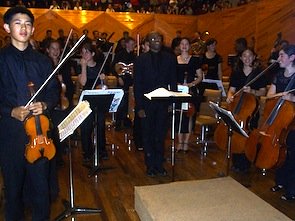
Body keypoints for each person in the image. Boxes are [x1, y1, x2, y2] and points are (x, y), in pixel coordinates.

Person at [0, 6, 59, 220]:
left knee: (41, 192)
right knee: (13, 192)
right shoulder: (1, 59)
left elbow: (53, 91)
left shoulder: (43, 61)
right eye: (18, 23)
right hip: (11, 134)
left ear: (33, 29)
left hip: (40, 134)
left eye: (27, 24)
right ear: (7, 27)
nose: (23, 28)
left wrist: (45, 104)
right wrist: (10, 111)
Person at [134, 31, 177, 177]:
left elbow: (173, 82)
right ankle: (150, 165)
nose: (156, 40)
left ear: (162, 41)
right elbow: (137, 85)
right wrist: (139, 107)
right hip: (146, 104)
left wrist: (172, 102)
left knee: (160, 134)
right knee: (147, 135)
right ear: (148, 42)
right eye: (153, 38)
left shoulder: (170, 59)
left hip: (164, 103)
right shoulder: (140, 60)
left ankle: (159, 164)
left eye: (158, 38)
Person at [226, 47, 267, 172]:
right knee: (236, 133)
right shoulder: (236, 72)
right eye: (244, 56)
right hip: (237, 108)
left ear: (254, 57)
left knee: (248, 134)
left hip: (251, 109)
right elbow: (232, 89)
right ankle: (235, 161)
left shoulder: (258, 72)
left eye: (250, 55)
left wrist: (252, 91)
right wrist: (229, 97)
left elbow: (263, 91)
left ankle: (246, 162)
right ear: (240, 58)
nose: (247, 58)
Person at [267, 44, 295, 201]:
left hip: (293, 122)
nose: (279, 59)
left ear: (292, 58)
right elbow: (270, 95)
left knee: (292, 155)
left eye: (282, 55)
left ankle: (292, 188)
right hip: (279, 119)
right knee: (280, 151)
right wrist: (279, 94)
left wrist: (291, 98)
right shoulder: (278, 74)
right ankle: (280, 182)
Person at [76, 42, 109, 162]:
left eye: (87, 52)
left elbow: (104, 87)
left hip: (98, 99)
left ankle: (101, 150)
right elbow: (83, 82)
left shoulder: (100, 66)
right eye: (82, 52)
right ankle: (87, 151)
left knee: (100, 125)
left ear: (93, 54)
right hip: (86, 101)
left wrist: (103, 81)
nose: (84, 54)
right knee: (86, 127)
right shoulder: (80, 67)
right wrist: (84, 67)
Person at [175, 37, 202, 152]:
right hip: (178, 91)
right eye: (182, 44)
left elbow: (200, 76)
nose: (184, 46)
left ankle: (186, 143)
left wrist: (191, 84)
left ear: (189, 46)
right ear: (179, 46)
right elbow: (171, 75)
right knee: (179, 117)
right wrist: (178, 84)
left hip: (191, 91)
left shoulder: (195, 60)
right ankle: (180, 142)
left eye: (186, 44)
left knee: (189, 116)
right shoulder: (174, 59)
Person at [112, 37, 136, 130]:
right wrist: (118, 77)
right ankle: (118, 122)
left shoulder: (134, 56)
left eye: (133, 44)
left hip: (130, 81)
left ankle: (127, 120)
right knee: (121, 101)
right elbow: (113, 67)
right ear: (126, 44)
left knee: (129, 101)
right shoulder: (120, 55)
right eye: (131, 44)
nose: (133, 46)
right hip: (122, 80)